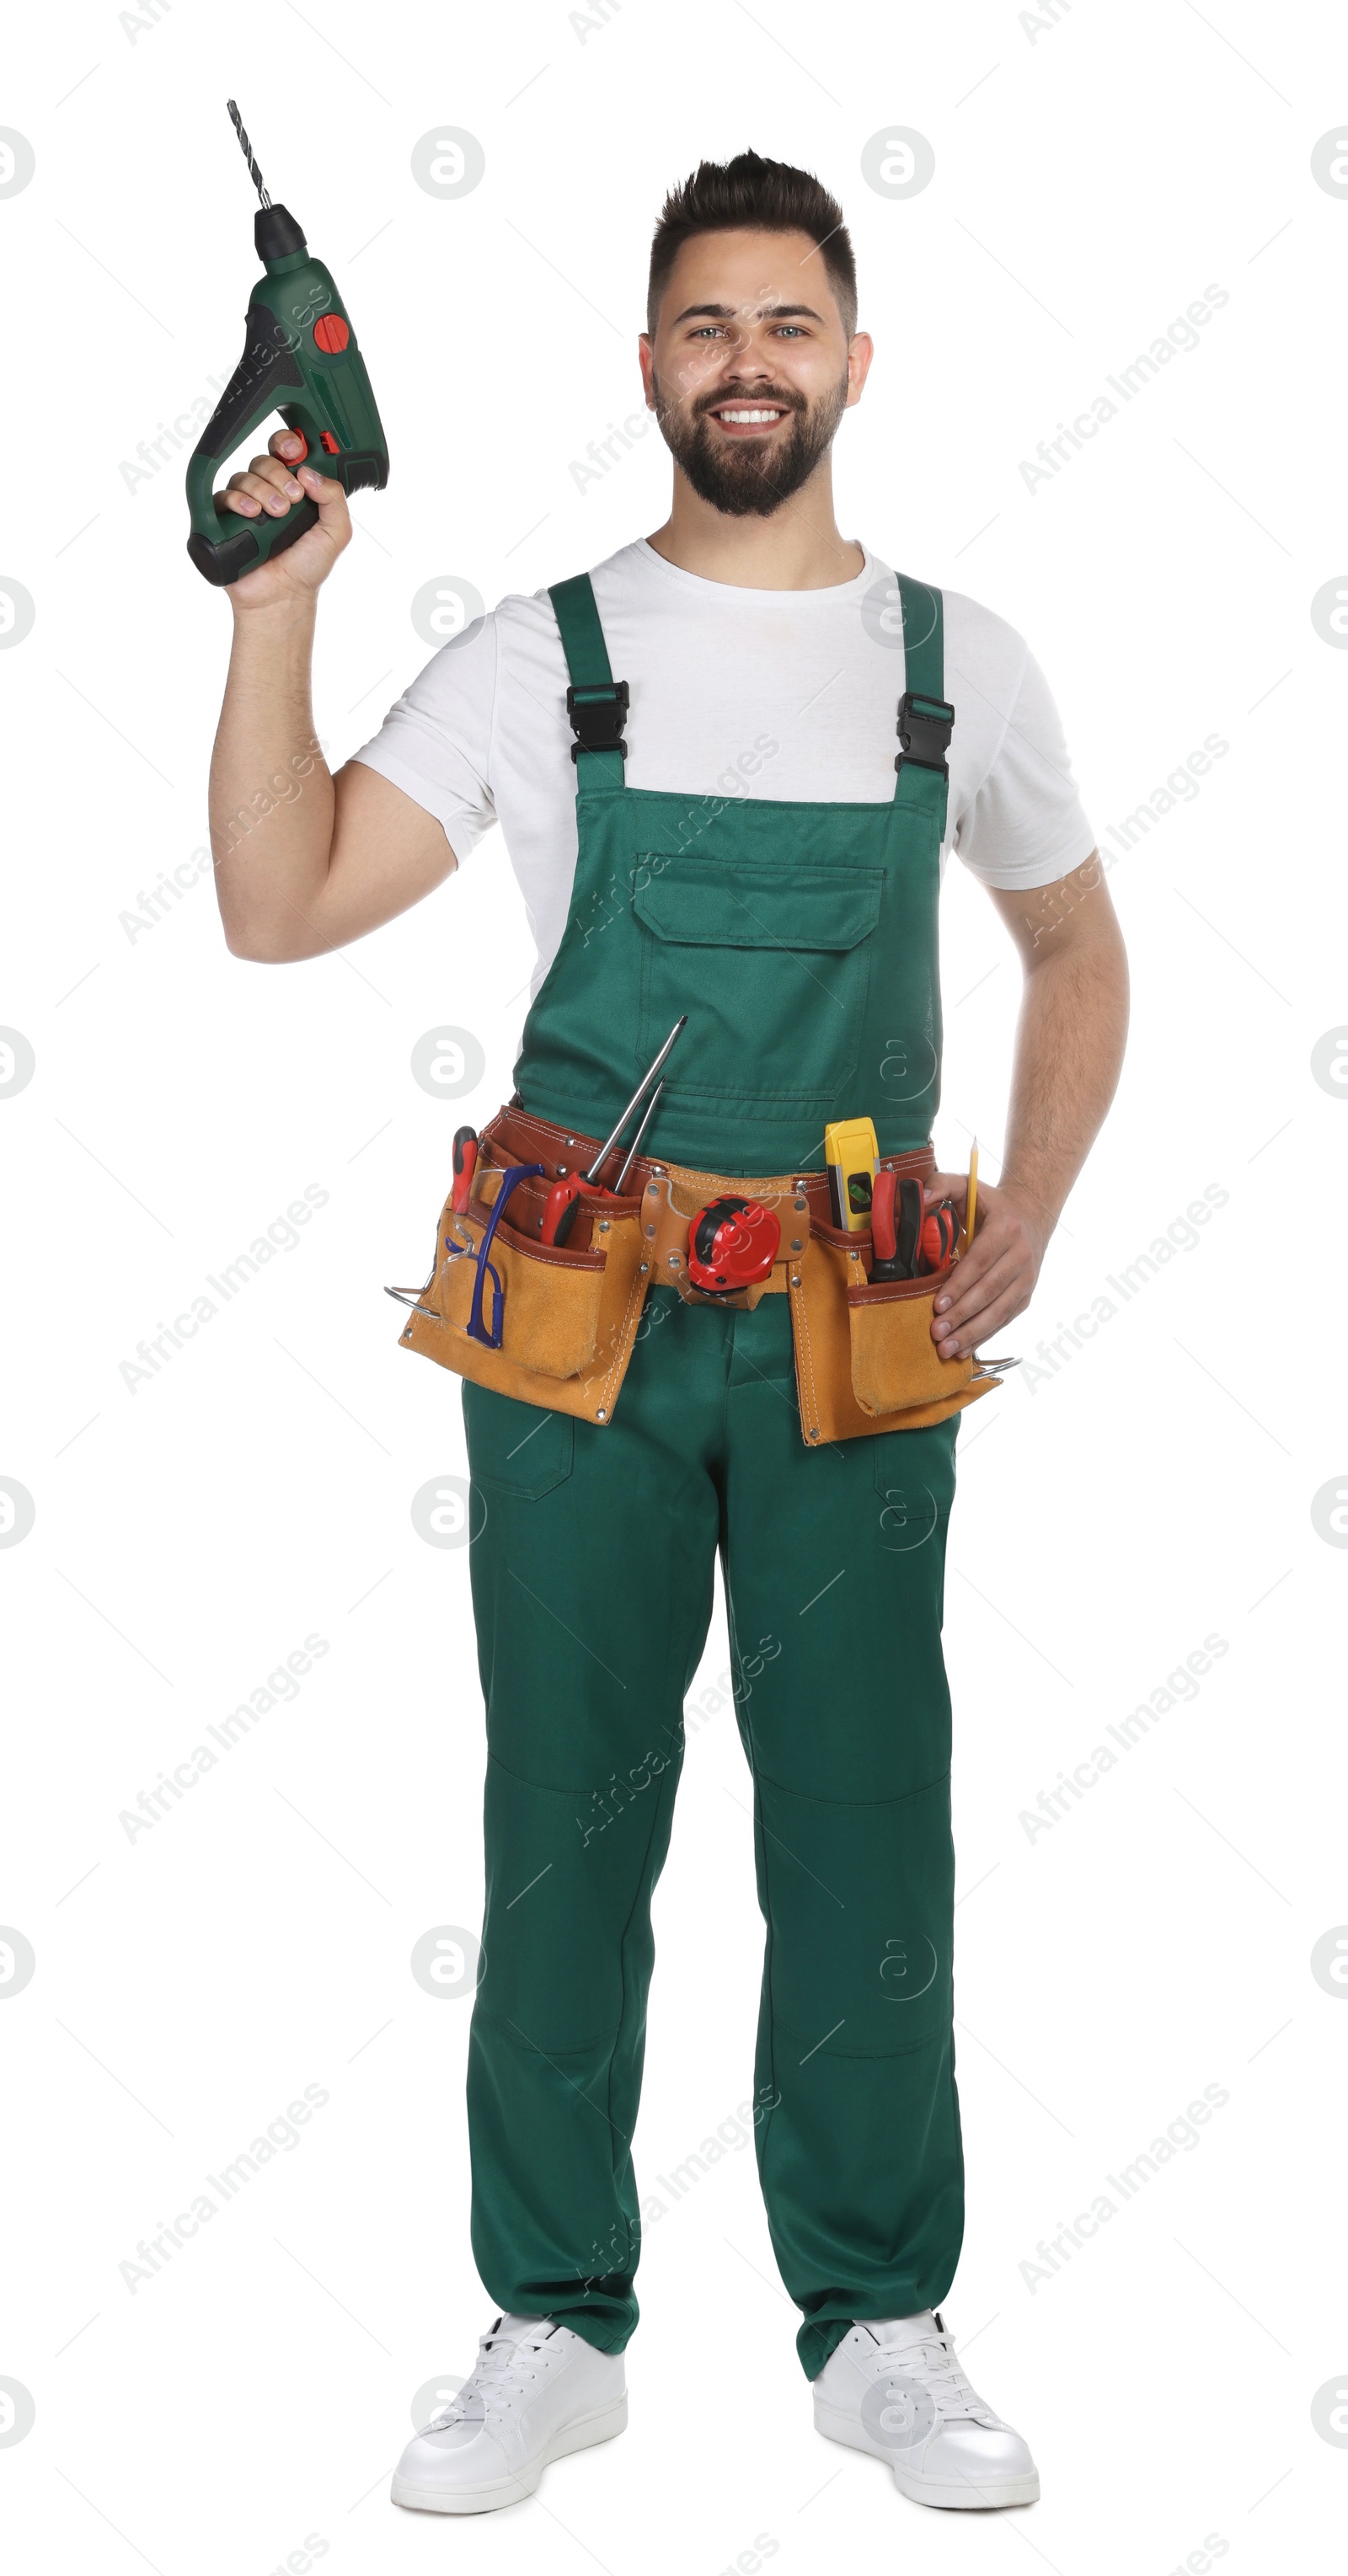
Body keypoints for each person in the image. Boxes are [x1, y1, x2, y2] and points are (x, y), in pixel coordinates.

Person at [207, 150, 1127, 2520]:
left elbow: (1081, 951)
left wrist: (1029, 1195)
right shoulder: (543, 653)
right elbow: (279, 898)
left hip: (855, 1324)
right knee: (565, 1826)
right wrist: (274, 606)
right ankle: (551, 2319)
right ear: (651, 364)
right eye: (707, 325)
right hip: (579, 1321)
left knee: (862, 1834)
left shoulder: (956, 660)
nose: (749, 362)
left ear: (852, 359)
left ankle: (884, 2320)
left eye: (789, 323)